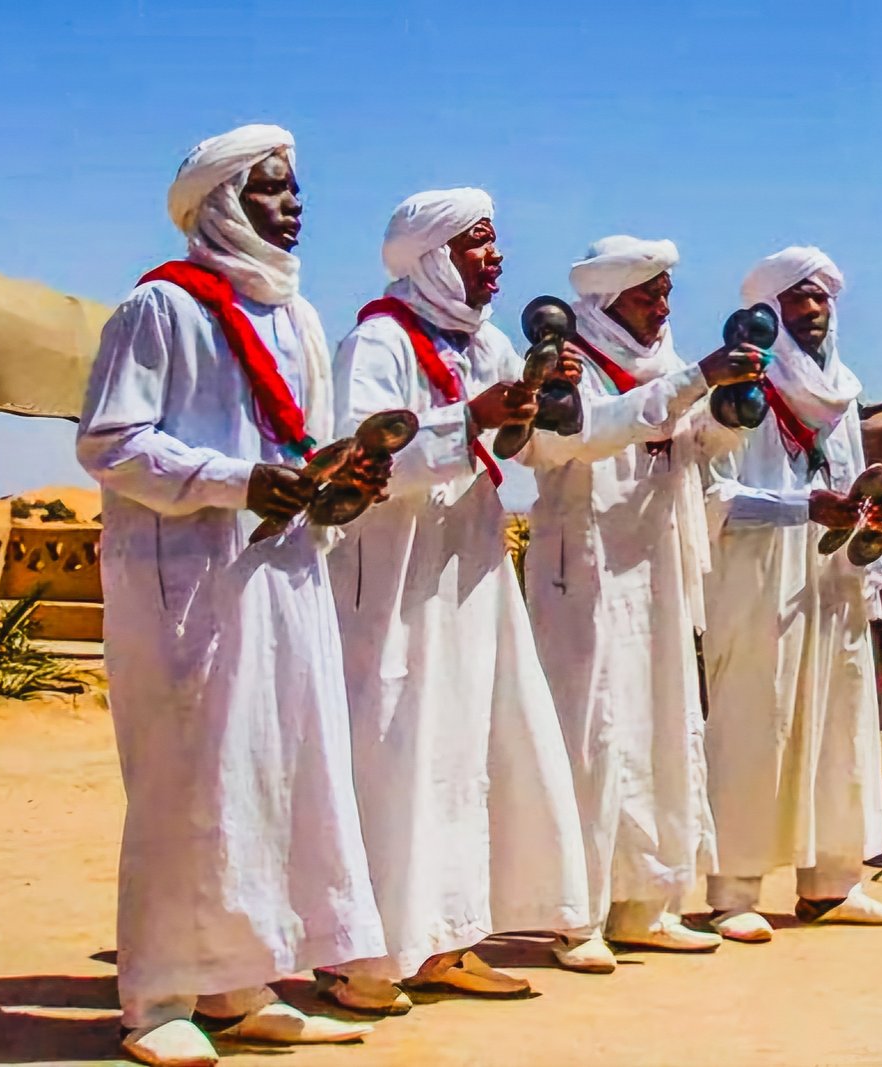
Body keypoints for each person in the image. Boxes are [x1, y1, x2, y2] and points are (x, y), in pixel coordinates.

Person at [77, 124, 385, 1067]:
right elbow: (111, 442)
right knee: (184, 782)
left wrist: (338, 483)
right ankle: (159, 996)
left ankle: (242, 983)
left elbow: (304, 445)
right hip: (187, 580)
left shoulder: (296, 318)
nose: (295, 207)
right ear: (220, 206)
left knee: (266, 773)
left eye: (297, 191)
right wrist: (231, 479)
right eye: (273, 191)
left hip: (282, 570)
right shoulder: (160, 309)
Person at [320, 188, 596, 1009]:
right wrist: (462, 421)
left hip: (468, 569)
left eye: (495, 241)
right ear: (432, 255)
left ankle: (447, 939)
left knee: (461, 753)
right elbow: (354, 454)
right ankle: (361, 957)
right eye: (478, 242)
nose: (496, 257)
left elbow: (528, 445)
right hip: (395, 577)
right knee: (393, 750)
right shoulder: (378, 339)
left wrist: (552, 393)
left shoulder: (487, 345)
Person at [518, 235, 767, 968]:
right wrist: (694, 380)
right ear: (606, 301)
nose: (660, 308)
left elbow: (693, 447)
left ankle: (645, 904)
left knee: (664, 728)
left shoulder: (665, 364)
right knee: (594, 739)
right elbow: (583, 438)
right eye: (645, 296)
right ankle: (577, 915)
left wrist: (727, 411)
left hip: (657, 565)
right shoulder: (571, 364)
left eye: (664, 296)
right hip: (588, 571)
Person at [700, 246, 882, 943]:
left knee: (840, 728)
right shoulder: (739, 391)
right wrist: (802, 510)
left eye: (821, 297)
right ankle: (732, 890)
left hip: (833, 582)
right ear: (766, 310)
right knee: (752, 724)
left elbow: (850, 484)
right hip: (758, 580)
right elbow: (713, 497)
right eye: (797, 298)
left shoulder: (842, 396)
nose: (813, 309)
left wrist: (872, 522)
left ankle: (833, 882)